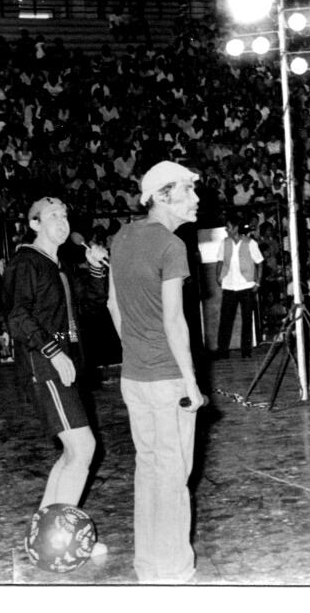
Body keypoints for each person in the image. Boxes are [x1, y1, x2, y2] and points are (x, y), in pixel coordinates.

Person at [107, 161, 206, 584]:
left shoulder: (122, 237)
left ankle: (148, 567)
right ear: (164, 196)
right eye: (188, 190)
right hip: (168, 380)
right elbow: (174, 320)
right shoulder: (171, 245)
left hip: (134, 377)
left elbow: (113, 305)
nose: (196, 199)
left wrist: (135, 352)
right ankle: (175, 572)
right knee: (172, 477)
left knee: (148, 472)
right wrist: (191, 382)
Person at [3, 196, 110, 525]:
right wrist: (52, 351)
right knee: (83, 448)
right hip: (45, 365)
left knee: (72, 452)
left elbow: (89, 307)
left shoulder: (59, 264)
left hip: (65, 364)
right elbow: (17, 316)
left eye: (64, 215)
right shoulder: (25, 262)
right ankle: (60, 534)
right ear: (34, 224)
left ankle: (45, 533)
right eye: (52, 216)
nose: (62, 222)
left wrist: (95, 269)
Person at [216, 220, 262, 359]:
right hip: (229, 285)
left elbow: (260, 263)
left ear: (236, 228)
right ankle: (222, 351)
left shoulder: (250, 243)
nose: (226, 230)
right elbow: (220, 261)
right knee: (225, 319)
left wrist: (258, 282)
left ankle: (246, 351)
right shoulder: (224, 243)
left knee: (247, 319)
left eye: (228, 227)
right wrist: (218, 276)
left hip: (246, 286)